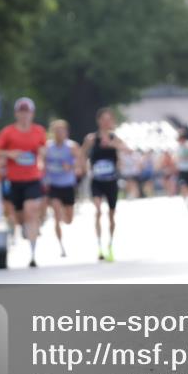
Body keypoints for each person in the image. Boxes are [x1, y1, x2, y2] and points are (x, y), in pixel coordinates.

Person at [0, 97, 48, 267]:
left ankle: (33, 254)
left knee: (30, 211)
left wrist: (42, 155)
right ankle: (25, 227)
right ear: (17, 113)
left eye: (27, 112)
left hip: (33, 178)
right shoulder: (8, 132)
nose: (24, 115)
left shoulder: (39, 131)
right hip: (14, 180)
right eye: (21, 112)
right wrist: (11, 154)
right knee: (18, 217)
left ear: (32, 114)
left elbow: (43, 149)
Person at [82, 107, 131, 262]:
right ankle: (99, 246)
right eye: (103, 119)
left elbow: (127, 150)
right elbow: (82, 154)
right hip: (96, 180)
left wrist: (112, 145)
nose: (106, 122)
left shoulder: (114, 138)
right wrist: (82, 168)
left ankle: (110, 244)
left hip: (111, 181)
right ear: (99, 121)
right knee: (97, 210)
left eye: (109, 119)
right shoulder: (91, 138)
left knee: (111, 214)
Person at [44, 119, 82, 258]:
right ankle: (61, 247)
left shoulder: (72, 146)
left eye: (62, 130)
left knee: (68, 219)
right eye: (57, 131)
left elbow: (80, 161)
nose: (59, 133)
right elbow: (42, 161)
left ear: (66, 132)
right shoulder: (48, 147)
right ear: (53, 133)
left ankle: (63, 218)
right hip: (54, 185)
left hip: (68, 185)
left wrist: (72, 166)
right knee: (56, 214)